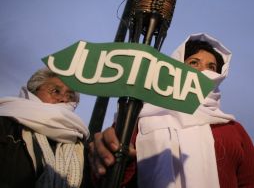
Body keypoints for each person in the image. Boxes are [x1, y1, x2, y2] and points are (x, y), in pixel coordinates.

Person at [88, 33, 254, 188]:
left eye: (212, 67)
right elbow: (111, 178)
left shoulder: (233, 130)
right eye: (194, 63)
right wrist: (108, 159)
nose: (204, 71)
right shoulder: (138, 118)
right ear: (177, 69)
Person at [0, 68, 90, 188]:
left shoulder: (81, 147)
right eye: (55, 91)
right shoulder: (5, 125)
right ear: (33, 91)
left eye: (70, 96)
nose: (63, 99)